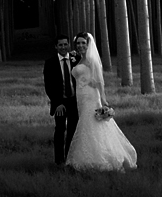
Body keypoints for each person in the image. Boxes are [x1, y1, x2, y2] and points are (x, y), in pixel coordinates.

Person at [64, 32, 137, 171]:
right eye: (78, 43)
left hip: (91, 96)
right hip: (81, 97)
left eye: (83, 43)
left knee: (91, 123)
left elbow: (99, 81)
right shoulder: (78, 59)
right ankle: (90, 155)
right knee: (87, 123)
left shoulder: (92, 59)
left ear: (88, 44)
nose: (80, 46)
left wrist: (103, 100)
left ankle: (100, 158)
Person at [43, 35, 79, 166]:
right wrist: (57, 103)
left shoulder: (76, 60)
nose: (63, 47)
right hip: (60, 103)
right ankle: (59, 160)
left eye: (65, 44)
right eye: (60, 45)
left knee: (73, 130)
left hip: (74, 102)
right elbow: (49, 86)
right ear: (56, 47)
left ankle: (70, 158)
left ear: (69, 45)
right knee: (60, 130)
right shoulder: (50, 63)